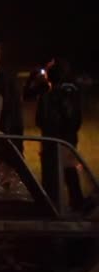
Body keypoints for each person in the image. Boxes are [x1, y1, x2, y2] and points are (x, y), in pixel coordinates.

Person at [36, 59, 83, 209]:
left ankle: (54, 205)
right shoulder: (67, 94)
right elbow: (75, 119)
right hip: (64, 142)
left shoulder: (47, 96)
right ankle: (75, 202)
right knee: (69, 174)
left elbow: (40, 120)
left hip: (52, 143)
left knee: (55, 178)